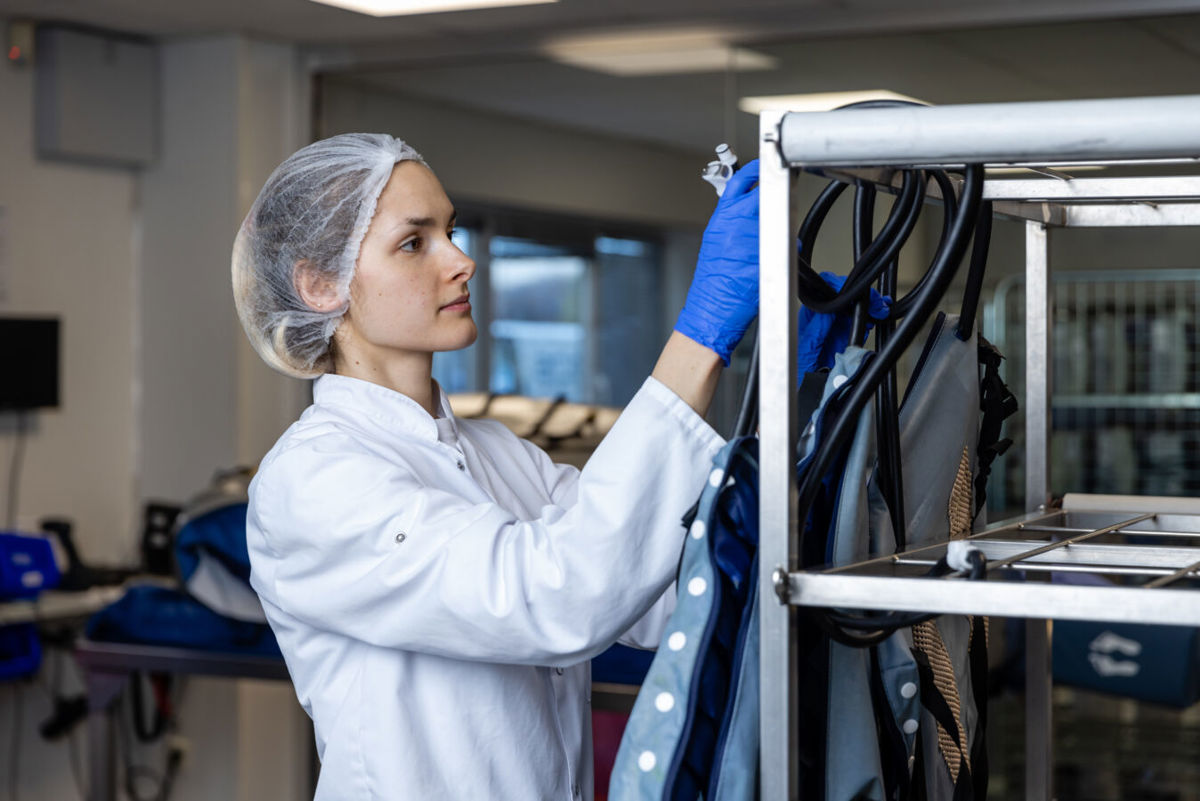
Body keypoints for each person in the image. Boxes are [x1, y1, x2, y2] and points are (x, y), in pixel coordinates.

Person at [231, 133, 760, 800]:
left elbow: (661, 592)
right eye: (413, 242)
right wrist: (701, 339)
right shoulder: (312, 480)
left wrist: (795, 402)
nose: (462, 260)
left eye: (449, 230)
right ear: (319, 283)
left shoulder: (497, 451)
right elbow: (557, 593)